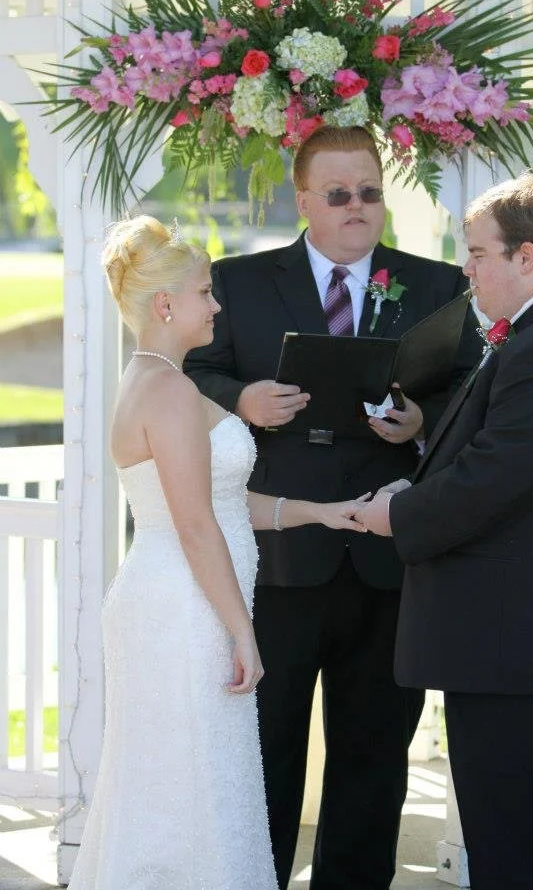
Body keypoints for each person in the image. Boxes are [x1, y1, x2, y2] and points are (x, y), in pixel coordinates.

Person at [184, 126, 481, 890]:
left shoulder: (437, 285)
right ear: (304, 199)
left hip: (388, 560)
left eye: (371, 193)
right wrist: (243, 398)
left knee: (375, 757)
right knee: (265, 749)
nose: (358, 208)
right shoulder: (241, 282)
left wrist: (421, 421)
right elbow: (192, 373)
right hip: (280, 559)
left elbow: (469, 391)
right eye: (340, 194)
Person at [355, 173, 533, 890]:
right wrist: (418, 462)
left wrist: (396, 514)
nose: (466, 268)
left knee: (530, 853)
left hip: (528, 650)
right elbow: (499, 458)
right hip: (511, 648)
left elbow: (493, 482)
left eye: (478, 252)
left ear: (528, 257)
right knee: (508, 841)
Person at [68, 215, 366, 890]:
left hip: (184, 599)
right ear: (165, 305)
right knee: (186, 786)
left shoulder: (160, 380)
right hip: (185, 609)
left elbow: (225, 502)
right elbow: (198, 526)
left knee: (191, 781)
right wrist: (242, 631)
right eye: (205, 293)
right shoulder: (169, 390)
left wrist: (317, 513)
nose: (217, 305)